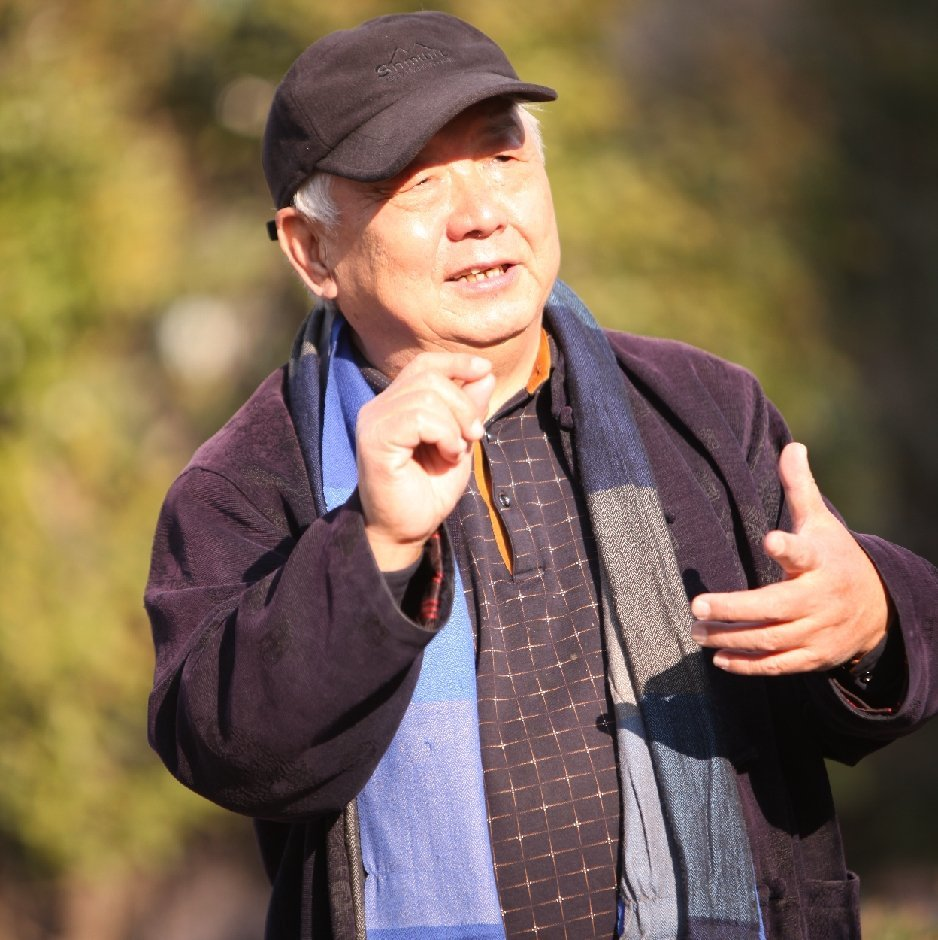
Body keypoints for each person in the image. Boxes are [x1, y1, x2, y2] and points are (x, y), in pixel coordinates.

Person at [144, 11, 937, 940]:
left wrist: (874, 617)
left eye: (502, 157)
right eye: (418, 181)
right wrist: (374, 545)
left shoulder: (701, 406)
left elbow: (860, 683)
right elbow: (231, 752)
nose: (480, 213)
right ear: (312, 249)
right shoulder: (246, 480)